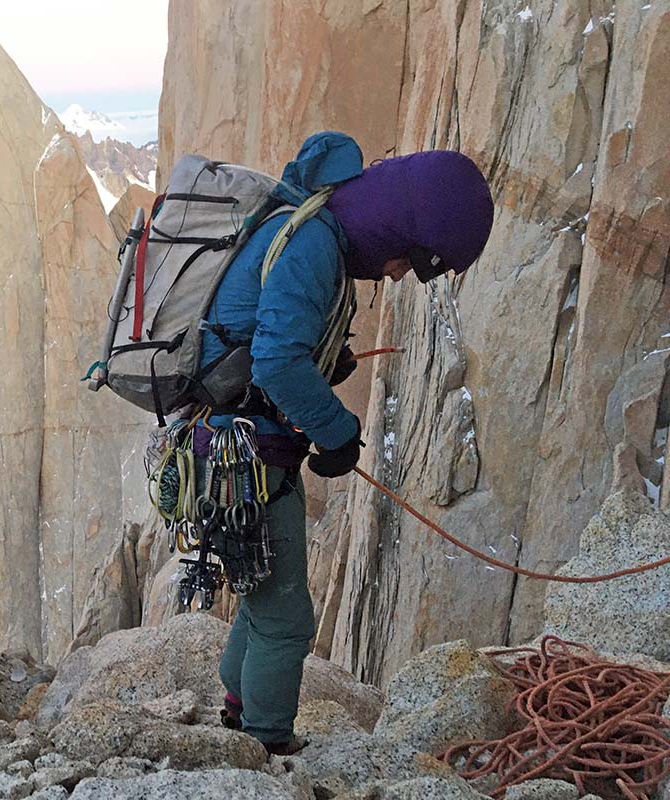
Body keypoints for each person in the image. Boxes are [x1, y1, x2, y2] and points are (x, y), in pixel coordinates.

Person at [202, 144, 495, 755]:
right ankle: (265, 745)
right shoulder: (313, 247)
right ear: (393, 227)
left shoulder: (311, 228)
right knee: (287, 620)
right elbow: (277, 360)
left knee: (263, 591)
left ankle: (237, 708)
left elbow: (272, 342)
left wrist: (321, 367)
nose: (397, 274)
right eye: (409, 259)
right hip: (249, 452)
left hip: (231, 444)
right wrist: (337, 431)